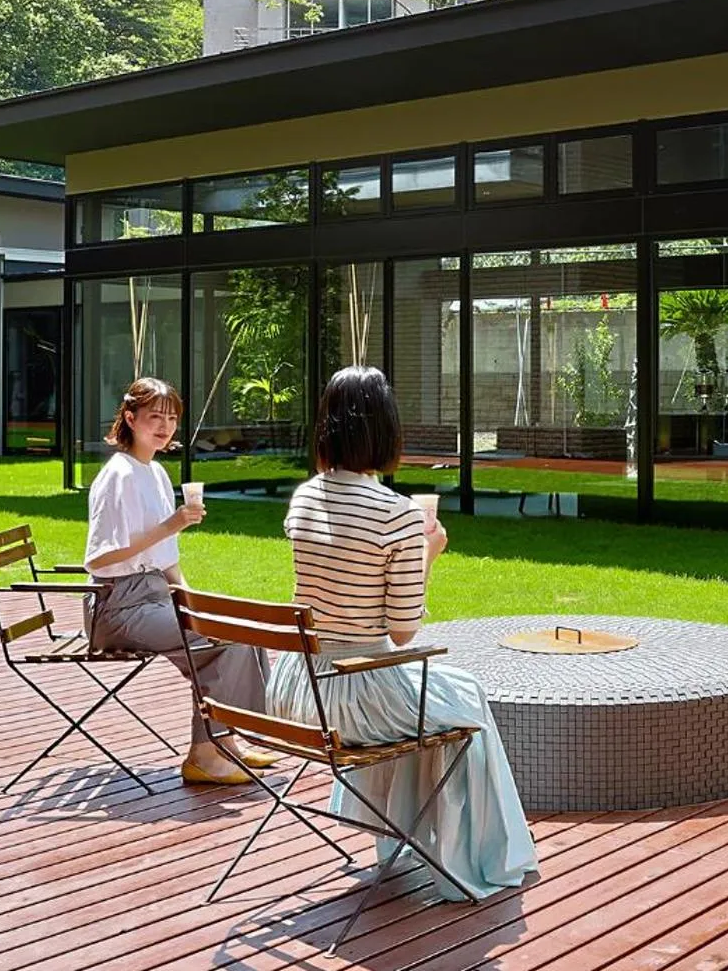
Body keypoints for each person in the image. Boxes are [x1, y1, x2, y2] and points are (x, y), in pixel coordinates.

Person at [266, 366, 537, 901]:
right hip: (354, 696)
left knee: (437, 694)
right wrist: (428, 553)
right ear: (385, 429)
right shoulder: (396, 515)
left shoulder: (304, 498)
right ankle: (480, 854)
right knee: (465, 697)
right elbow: (403, 631)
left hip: (297, 690)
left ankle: (397, 833)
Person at [85, 376, 271, 786]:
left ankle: (224, 743)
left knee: (241, 631)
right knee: (226, 643)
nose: (165, 427)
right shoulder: (118, 475)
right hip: (119, 607)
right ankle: (207, 752)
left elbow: (166, 558)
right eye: (155, 417)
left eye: (171, 419)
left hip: (154, 596)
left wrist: (190, 598)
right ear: (130, 418)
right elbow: (100, 557)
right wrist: (170, 525)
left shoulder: (154, 472)